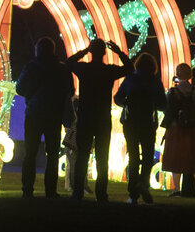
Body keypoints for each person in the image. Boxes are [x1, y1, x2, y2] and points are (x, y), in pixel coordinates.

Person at [67, 38, 131, 202]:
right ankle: (101, 193)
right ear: (104, 52)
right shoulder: (109, 71)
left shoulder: (84, 69)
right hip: (102, 118)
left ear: (91, 52)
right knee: (102, 157)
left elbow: (69, 62)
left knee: (82, 156)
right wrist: (118, 52)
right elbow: (130, 68)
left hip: (86, 117)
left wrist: (84, 51)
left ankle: (78, 192)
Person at [16, 37, 74, 198]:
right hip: (54, 115)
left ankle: (27, 189)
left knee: (30, 153)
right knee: (53, 154)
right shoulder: (62, 69)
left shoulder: (31, 67)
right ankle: (50, 190)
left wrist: (32, 92)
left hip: (34, 113)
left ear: (37, 50)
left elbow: (20, 89)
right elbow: (70, 89)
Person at [114, 52, 167, 204]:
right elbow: (163, 104)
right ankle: (144, 184)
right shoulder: (155, 81)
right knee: (148, 155)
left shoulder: (130, 79)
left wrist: (127, 103)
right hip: (148, 124)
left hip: (130, 122)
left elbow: (117, 98)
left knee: (134, 155)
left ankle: (133, 191)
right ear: (153, 67)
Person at [161, 63, 195, 206]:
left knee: (176, 157)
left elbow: (168, 109)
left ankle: (177, 189)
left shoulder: (173, 92)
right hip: (193, 126)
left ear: (178, 75)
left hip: (176, 127)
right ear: (190, 75)